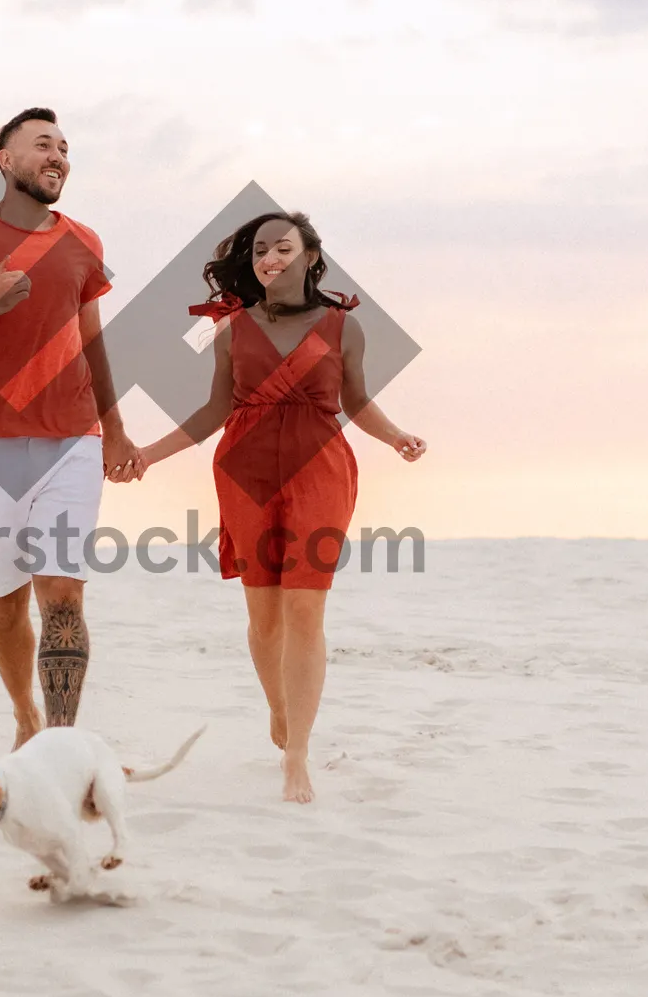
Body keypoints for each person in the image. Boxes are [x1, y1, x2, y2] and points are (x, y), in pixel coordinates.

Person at [109, 211, 425, 803]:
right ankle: (280, 708)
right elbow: (213, 412)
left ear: (310, 256)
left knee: (305, 611)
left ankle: (297, 753)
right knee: (263, 616)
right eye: (259, 251)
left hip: (319, 469)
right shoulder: (231, 329)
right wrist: (149, 454)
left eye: (282, 248)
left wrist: (396, 436)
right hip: (245, 470)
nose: (268, 259)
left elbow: (355, 401)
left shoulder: (342, 327)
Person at [0, 107, 142, 745]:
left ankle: (61, 745)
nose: (58, 156)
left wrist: (115, 429)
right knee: (6, 602)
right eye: (43, 145)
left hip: (73, 440)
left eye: (64, 148)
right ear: (5, 161)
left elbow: (91, 340)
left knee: (63, 596)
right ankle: (25, 718)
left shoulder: (83, 241)